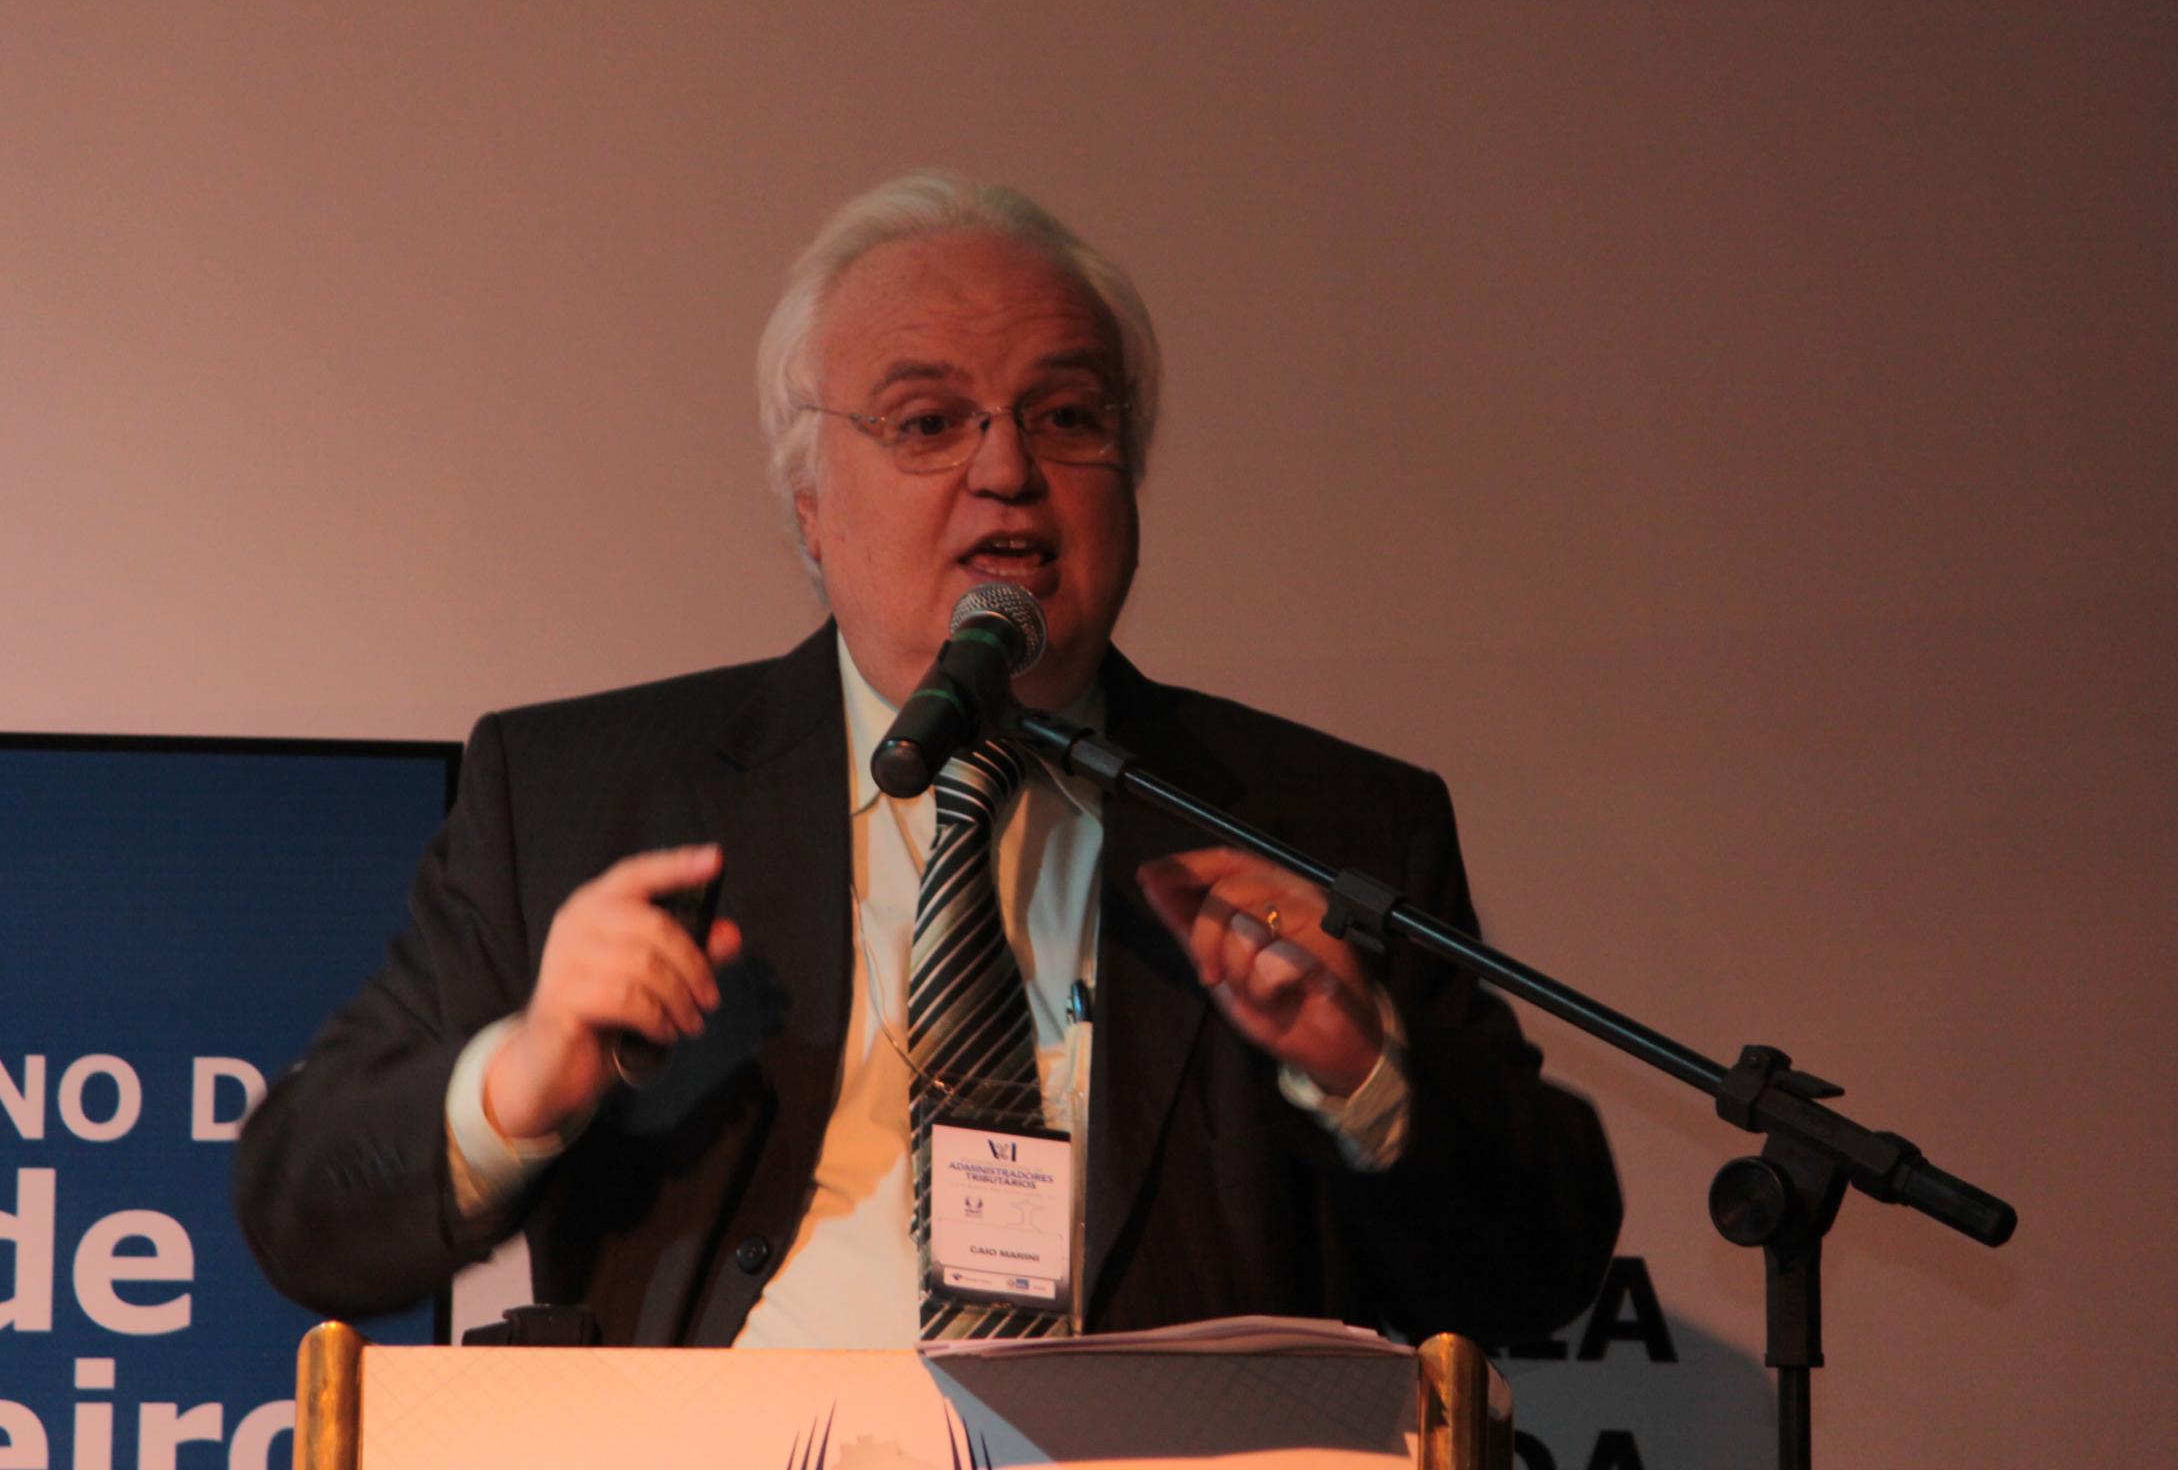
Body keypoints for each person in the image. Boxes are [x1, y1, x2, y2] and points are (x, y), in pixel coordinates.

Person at [232, 172, 1620, 1349]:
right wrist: (522, 1076)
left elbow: (1540, 1266)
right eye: (927, 422)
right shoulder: (579, 798)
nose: (1007, 469)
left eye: (1067, 417)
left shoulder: (1327, 824)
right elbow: (303, 1206)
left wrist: (1368, 1072)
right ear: (809, 502)